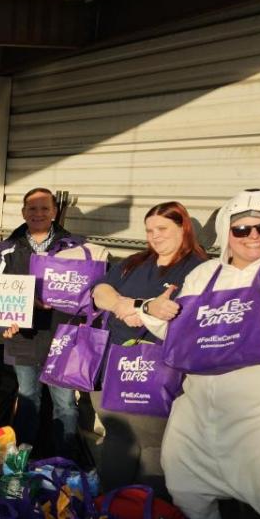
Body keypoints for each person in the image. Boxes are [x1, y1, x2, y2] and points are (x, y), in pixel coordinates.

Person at [145, 189, 260, 519]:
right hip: (199, 417)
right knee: (185, 487)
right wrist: (154, 311)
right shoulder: (203, 275)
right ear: (226, 230)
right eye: (242, 229)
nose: (253, 236)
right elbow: (181, 339)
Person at [89, 202, 208, 495]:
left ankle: (148, 518)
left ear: (184, 228)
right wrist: (124, 304)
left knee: (154, 450)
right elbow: (99, 290)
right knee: (117, 440)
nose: (155, 236)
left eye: (163, 229)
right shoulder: (135, 262)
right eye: (149, 230)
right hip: (112, 369)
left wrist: (144, 311)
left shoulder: (200, 269)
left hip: (158, 373)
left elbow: (192, 320)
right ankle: (108, 513)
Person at [0, 187, 85, 457]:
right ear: (23, 213)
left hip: (63, 336)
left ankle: (65, 462)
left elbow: (89, 289)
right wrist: (1, 324)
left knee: (65, 403)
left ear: (54, 212)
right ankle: (22, 461)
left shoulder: (76, 247)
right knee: (28, 397)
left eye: (44, 208)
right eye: (32, 208)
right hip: (24, 338)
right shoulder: (5, 249)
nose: (38, 213)